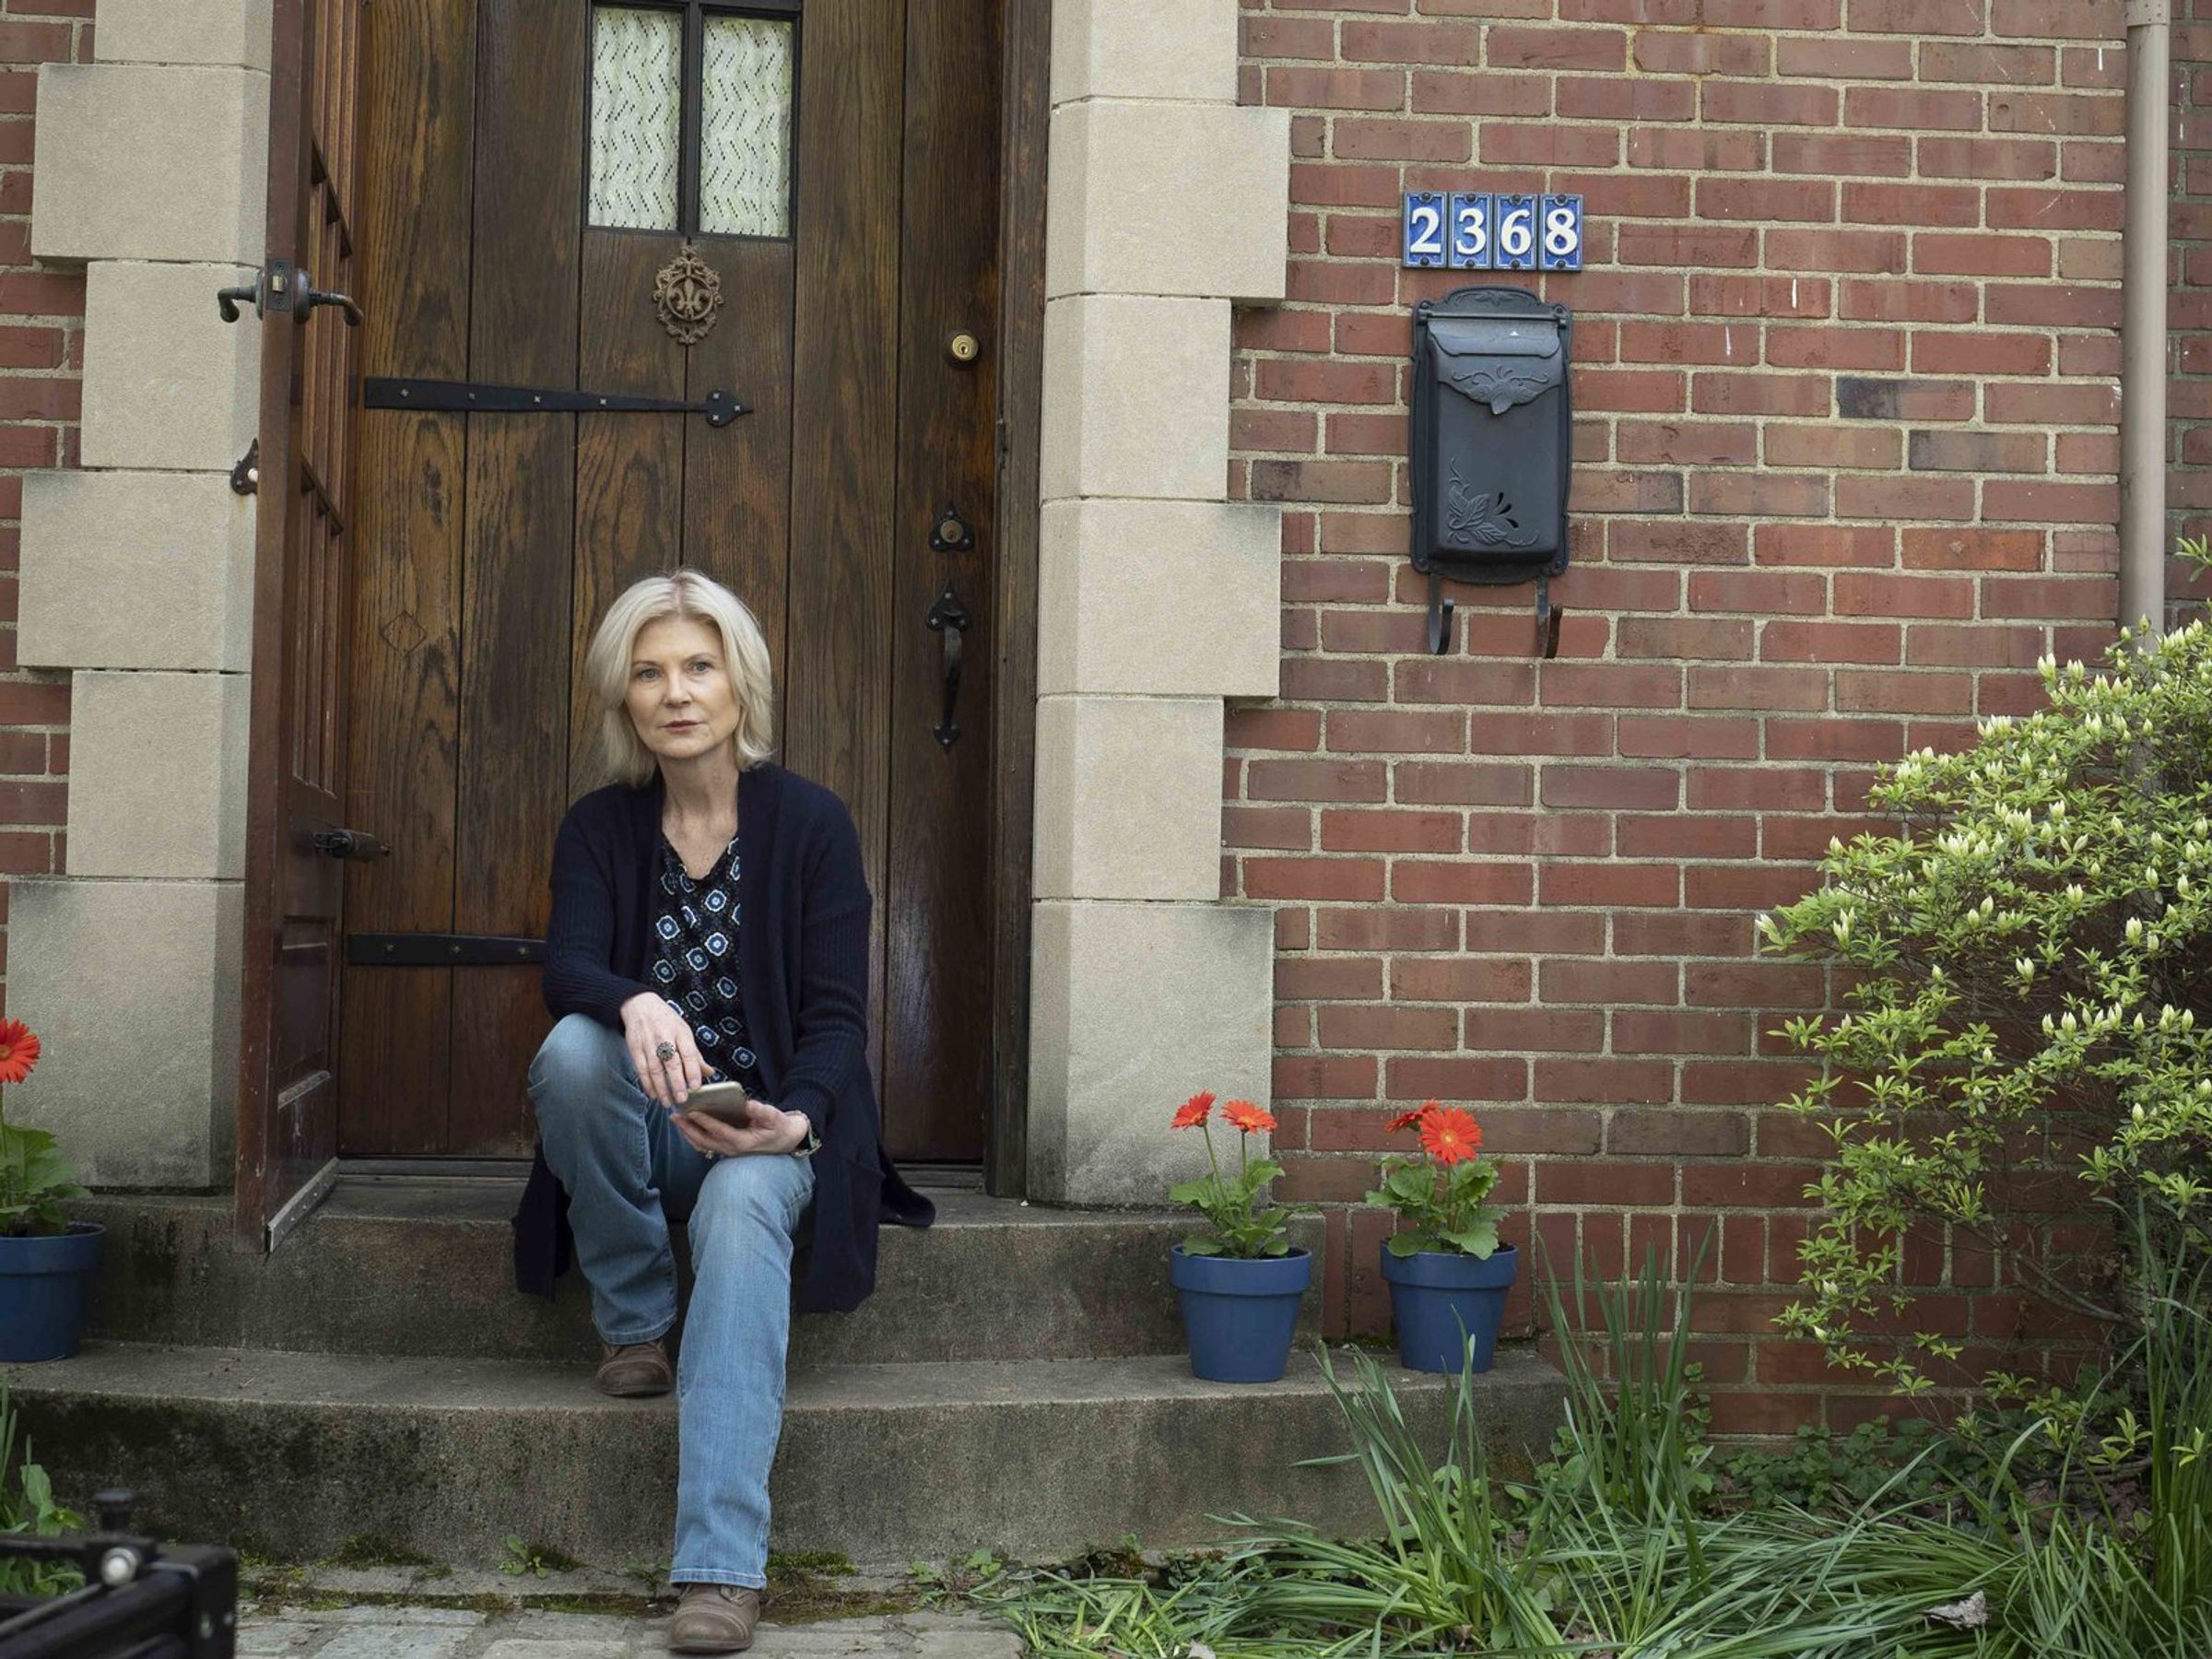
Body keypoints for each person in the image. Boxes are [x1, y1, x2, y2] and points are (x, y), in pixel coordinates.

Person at [512, 569, 934, 1654]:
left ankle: (720, 1570)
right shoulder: (601, 827)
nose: (676, 693)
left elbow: (837, 1020)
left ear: (740, 684)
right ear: (623, 697)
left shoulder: (812, 825)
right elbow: (567, 969)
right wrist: (633, 998)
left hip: (768, 1136)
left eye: (699, 666)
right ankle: (634, 1322)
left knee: (743, 1204)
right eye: (649, 672)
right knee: (571, 1053)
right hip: (649, 1134)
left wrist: (796, 1122)